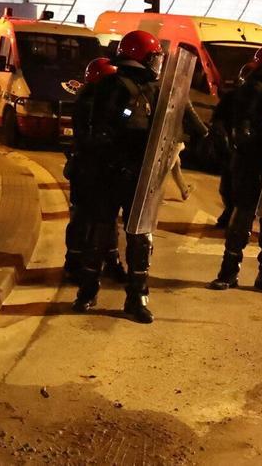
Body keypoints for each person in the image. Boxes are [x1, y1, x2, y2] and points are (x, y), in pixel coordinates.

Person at [72, 31, 171, 323]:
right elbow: (102, 130)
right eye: (153, 57)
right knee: (100, 234)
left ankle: (137, 297)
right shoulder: (111, 86)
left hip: (138, 175)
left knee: (140, 238)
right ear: (141, 56)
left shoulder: (153, 89)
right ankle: (87, 292)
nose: (156, 62)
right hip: (110, 173)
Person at [208, 44, 262, 297]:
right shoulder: (256, 91)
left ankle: (255, 273)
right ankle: (233, 273)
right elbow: (242, 129)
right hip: (256, 164)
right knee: (248, 219)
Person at [63, 57, 127, 283]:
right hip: (89, 169)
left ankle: (98, 260)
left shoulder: (90, 100)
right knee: (87, 218)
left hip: (93, 168)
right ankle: (78, 263)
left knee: (101, 218)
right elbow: (101, 135)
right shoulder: (91, 104)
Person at [211, 62, 256, 228]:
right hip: (233, 147)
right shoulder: (233, 97)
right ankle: (230, 211)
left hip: (252, 150)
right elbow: (218, 119)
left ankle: (239, 218)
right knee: (228, 185)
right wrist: (224, 140)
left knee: (244, 188)